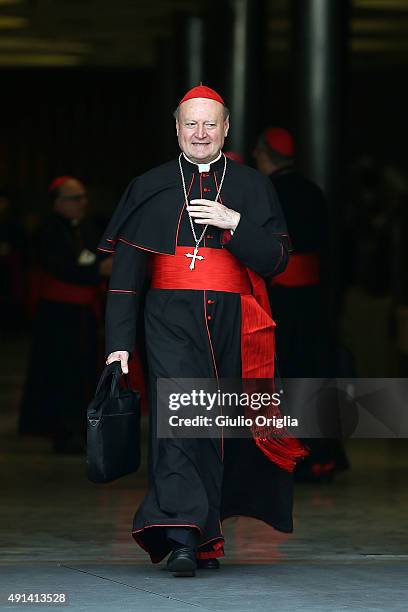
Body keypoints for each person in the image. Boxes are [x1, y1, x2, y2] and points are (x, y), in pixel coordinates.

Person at [99, 86, 306, 577]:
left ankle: (207, 534)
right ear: (176, 129)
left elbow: (277, 260)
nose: (200, 133)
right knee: (182, 420)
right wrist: (119, 346)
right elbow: (127, 278)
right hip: (169, 318)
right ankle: (182, 534)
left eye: (210, 124)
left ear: (226, 129)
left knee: (223, 427)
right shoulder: (148, 185)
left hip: (237, 322)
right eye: (190, 124)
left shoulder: (253, 186)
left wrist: (234, 223)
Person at [253, 127, 349, 481]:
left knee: (281, 377)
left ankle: (289, 455)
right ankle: (322, 453)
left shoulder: (267, 191)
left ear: (264, 155)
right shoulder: (313, 190)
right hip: (312, 300)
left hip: (279, 299)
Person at [19, 177, 112, 452]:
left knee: (84, 372)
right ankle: (63, 431)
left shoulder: (87, 227)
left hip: (83, 313)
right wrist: (97, 271)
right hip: (58, 316)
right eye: (76, 198)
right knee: (61, 373)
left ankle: (82, 428)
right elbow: (58, 268)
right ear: (58, 202)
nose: (83, 203)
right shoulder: (47, 231)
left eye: (84, 197)